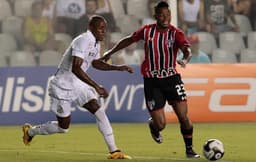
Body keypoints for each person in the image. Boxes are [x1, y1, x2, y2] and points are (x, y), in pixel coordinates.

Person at [22, 15, 132, 160]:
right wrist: (96, 86)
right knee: (63, 128)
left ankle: (114, 151)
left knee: (98, 110)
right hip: (62, 86)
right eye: (101, 28)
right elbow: (76, 68)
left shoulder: (95, 43)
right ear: (91, 28)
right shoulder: (83, 40)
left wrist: (118, 68)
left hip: (77, 84)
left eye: (105, 29)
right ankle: (30, 132)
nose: (104, 31)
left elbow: (95, 63)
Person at [102, 1, 200, 158]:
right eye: (161, 15)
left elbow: (186, 50)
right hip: (152, 82)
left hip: (172, 79)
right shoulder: (147, 31)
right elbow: (128, 40)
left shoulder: (176, 33)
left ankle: (189, 149)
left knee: (183, 116)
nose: (165, 18)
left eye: (168, 15)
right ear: (155, 16)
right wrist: (110, 52)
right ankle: (153, 127)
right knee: (161, 124)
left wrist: (185, 60)